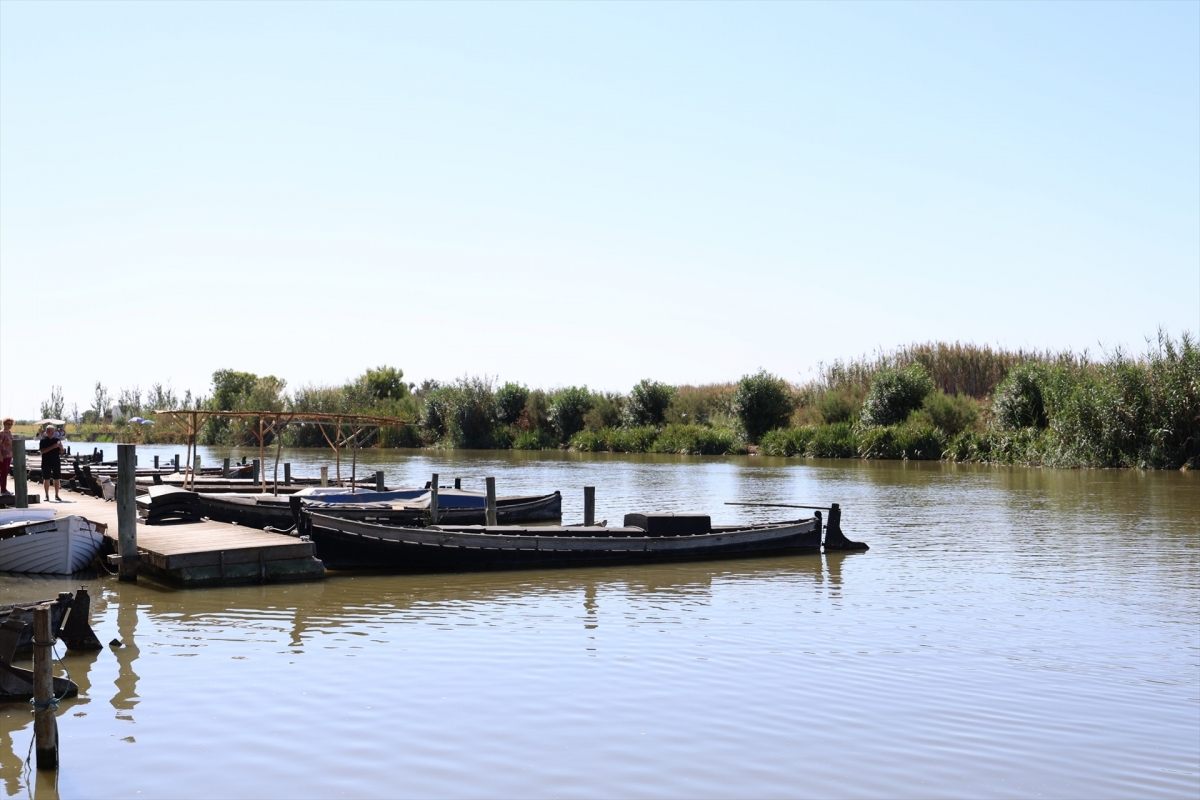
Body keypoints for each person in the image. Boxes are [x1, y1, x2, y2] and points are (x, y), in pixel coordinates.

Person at [40, 424, 64, 502]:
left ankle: (57, 495)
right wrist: (52, 447)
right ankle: (46, 495)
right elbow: (42, 451)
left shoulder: (57, 440)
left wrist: (60, 447)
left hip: (56, 461)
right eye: (49, 431)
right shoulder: (43, 441)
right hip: (46, 461)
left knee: (56, 478)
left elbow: (62, 452)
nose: (51, 433)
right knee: (46, 479)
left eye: (53, 432)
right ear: (46, 432)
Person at [0, 418, 13, 496]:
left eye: (11, 424)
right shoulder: (2, 433)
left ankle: (4, 488)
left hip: (9, 455)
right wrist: (0, 455)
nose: (10, 426)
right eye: (8, 424)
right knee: (3, 472)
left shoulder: (9, 433)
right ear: (4, 424)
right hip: (3, 455)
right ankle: (3, 489)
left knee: (6, 472)